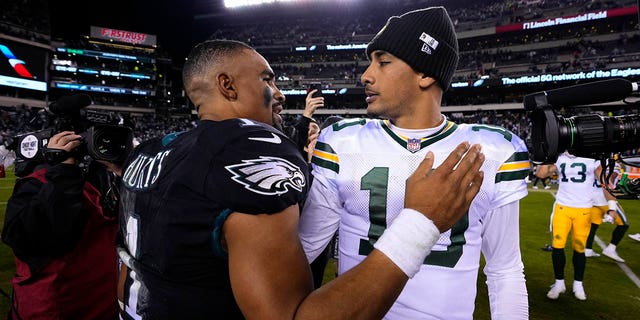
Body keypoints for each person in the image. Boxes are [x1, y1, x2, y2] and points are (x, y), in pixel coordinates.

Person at [116, 39, 485, 319]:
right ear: (228, 86)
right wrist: (420, 222)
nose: (278, 93)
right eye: (267, 79)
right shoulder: (250, 149)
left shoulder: (147, 154)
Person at [298, 7, 529, 319]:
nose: (366, 75)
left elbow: (505, 270)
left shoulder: (492, 150)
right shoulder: (341, 142)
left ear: (425, 72)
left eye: (383, 62)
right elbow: (305, 249)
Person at [1, 130, 122, 319]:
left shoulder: (100, 183)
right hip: (57, 309)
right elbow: (25, 237)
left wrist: (123, 177)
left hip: (101, 307)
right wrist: (64, 172)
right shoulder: (39, 183)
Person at [536, 152, 603, 301]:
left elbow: (604, 179)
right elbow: (540, 174)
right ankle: (559, 283)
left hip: (583, 209)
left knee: (580, 248)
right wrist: (551, 154)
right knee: (557, 246)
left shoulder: (592, 156)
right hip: (563, 208)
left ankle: (578, 284)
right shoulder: (560, 157)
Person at [584, 164, 629, 263]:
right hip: (606, 200)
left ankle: (588, 249)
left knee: (593, 225)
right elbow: (610, 179)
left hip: (593, 199)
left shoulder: (596, 162)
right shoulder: (614, 163)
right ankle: (611, 249)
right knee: (624, 224)